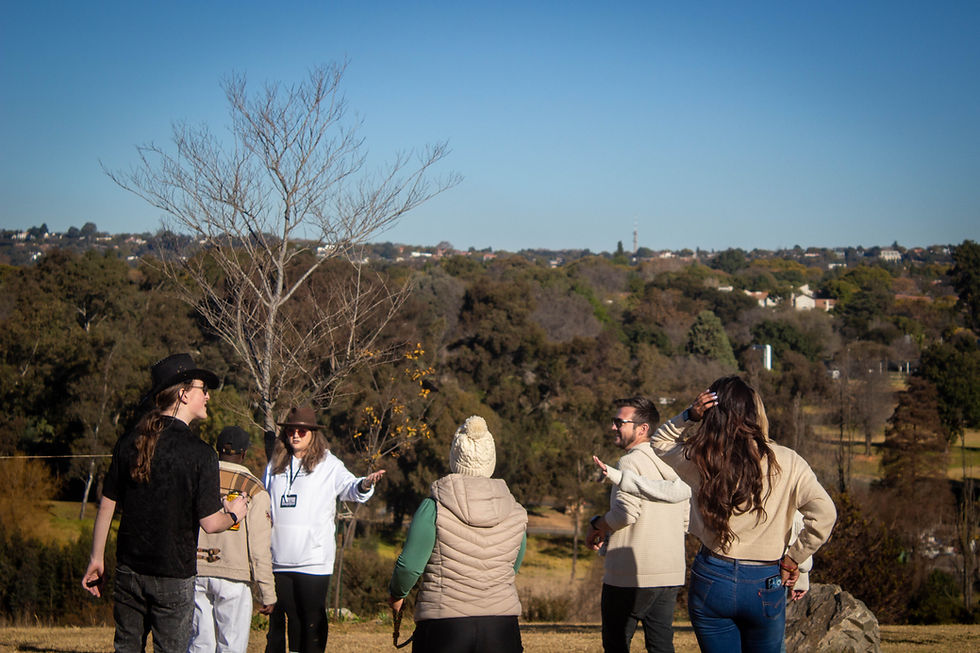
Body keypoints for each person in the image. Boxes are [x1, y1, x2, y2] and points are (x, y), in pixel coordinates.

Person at [594, 376, 837, 653]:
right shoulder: (788, 461)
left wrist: (690, 414)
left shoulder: (701, 459)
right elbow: (825, 514)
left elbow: (659, 441)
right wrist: (794, 558)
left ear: (712, 414)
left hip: (713, 574)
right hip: (765, 576)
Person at [82, 353, 248, 653]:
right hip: (174, 576)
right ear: (184, 394)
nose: (207, 396)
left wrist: (97, 559)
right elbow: (211, 523)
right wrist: (234, 514)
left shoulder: (130, 441)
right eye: (202, 388)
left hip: (128, 571)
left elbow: (107, 502)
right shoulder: (201, 453)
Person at [388, 415, 527, 653]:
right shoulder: (516, 511)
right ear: (490, 459)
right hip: (502, 628)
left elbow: (410, 566)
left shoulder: (434, 506)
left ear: (455, 457)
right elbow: (512, 565)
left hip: (445, 626)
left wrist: (397, 594)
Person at [263, 404, 385, 653]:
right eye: (291, 431)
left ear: (313, 434)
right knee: (290, 620)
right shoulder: (275, 464)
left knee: (312, 621)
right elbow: (264, 501)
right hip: (278, 559)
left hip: (313, 560)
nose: (295, 435)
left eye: (302, 431)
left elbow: (350, 487)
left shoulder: (329, 464)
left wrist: (365, 484)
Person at [587, 396, 691, 653]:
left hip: (630, 576)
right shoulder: (675, 462)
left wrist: (598, 524)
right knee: (661, 645)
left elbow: (625, 514)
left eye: (619, 422)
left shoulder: (629, 462)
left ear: (642, 429)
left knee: (616, 644)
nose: (613, 427)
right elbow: (687, 518)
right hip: (669, 572)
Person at [189, 426, 277, 653]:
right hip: (234, 576)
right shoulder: (254, 489)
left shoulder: (197, 477)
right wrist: (267, 591)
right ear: (244, 453)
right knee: (231, 646)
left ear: (216, 449)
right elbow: (259, 548)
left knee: (199, 644)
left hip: (195, 569)